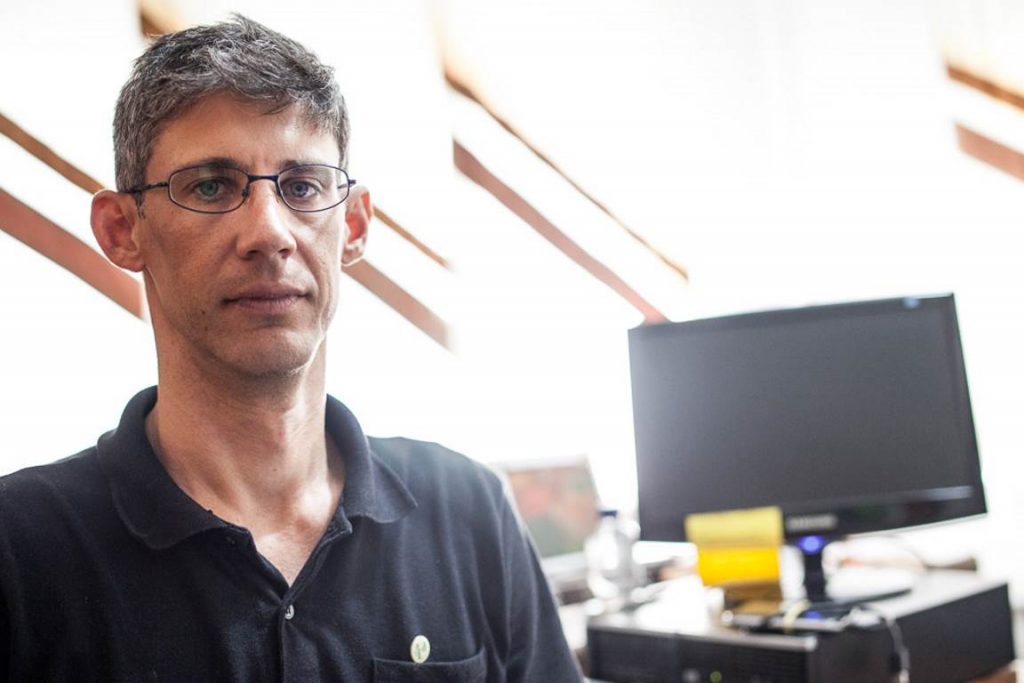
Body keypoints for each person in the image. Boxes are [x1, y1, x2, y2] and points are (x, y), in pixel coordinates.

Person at [0, 15, 582, 682]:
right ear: (122, 230)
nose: (269, 234)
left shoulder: (469, 510)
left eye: (302, 186)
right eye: (211, 186)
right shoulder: (20, 550)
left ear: (353, 224)